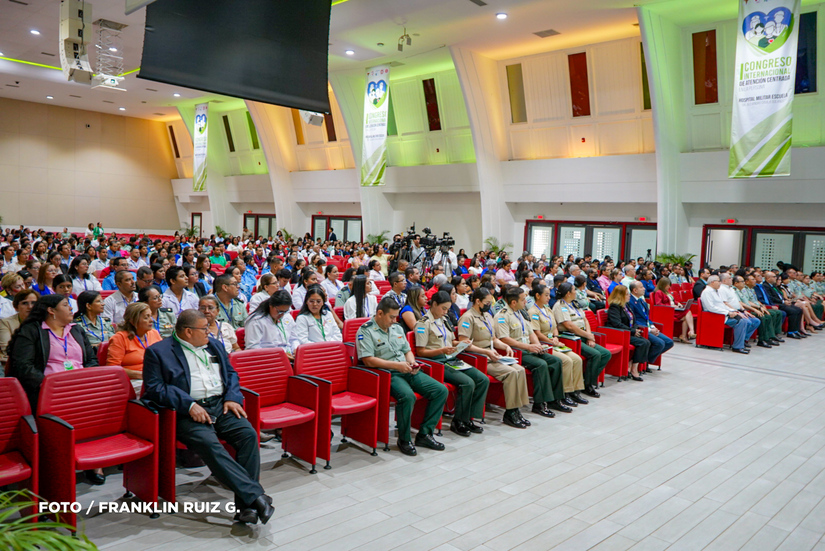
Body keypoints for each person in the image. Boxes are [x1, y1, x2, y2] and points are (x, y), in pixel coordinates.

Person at [142, 310, 274, 525]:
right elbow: (155, 388)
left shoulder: (214, 345)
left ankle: (247, 506)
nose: (209, 332)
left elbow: (231, 374)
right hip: (186, 412)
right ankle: (256, 497)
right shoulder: (158, 352)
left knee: (249, 436)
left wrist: (232, 397)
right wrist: (189, 404)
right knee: (210, 444)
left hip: (220, 405)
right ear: (188, 332)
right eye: (204, 329)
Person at [357, 296, 448, 455]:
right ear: (380, 313)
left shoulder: (397, 328)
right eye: (391, 317)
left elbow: (407, 350)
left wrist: (412, 362)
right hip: (388, 374)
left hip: (406, 368)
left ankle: (425, 434)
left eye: (396, 317)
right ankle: (404, 439)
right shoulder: (366, 330)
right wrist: (397, 366)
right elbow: (368, 360)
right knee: (407, 397)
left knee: (440, 390)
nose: (394, 320)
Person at [7, 294, 99, 413]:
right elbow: (23, 366)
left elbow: (91, 360)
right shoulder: (32, 331)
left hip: (81, 387)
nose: (71, 308)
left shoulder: (76, 329)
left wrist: (87, 382)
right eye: (65, 305)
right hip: (49, 390)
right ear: (51, 310)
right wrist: (48, 385)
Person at [414, 291, 489, 437]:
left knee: (482, 379)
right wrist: (442, 350)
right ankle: (459, 421)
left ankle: (469, 418)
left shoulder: (444, 320)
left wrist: (459, 343)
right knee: (467, 383)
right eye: (443, 308)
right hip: (436, 361)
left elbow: (448, 341)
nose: (445, 312)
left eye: (448, 309)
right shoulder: (423, 323)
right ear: (434, 304)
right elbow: (421, 352)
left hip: (450, 358)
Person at [457, 287, 531, 428]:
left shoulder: (487, 316)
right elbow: (463, 344)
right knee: (511, 373)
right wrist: (486, 352)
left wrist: (505, 346)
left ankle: (516, 410)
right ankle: (510, 412)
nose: (489, 305)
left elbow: (494, 339)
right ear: (477, 301)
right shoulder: (467, 317)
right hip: (479, 357)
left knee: (520, 369)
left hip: (492, 355)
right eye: (487, 302)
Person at [495, 286, 565, 417]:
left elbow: (531, 332)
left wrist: (537, 345)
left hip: (528, 348)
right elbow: (504, 338)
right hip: (516, 351)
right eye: (523, 300)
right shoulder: (502, 316)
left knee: (556, 361)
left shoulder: (521, 313)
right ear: (514, 302)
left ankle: (555, 399)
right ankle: (539, 404)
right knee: (540, 365)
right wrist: (528, 347)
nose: (526, 302)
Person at [527, 284, 588, 406]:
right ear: (538, 296)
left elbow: (554, 326)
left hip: (554, 341)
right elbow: (537, 333)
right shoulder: (533, 312)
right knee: (566, 361)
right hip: (544, 343)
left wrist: (555, 336)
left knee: (576, 359)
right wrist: (551, 341)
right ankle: (564, 393)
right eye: (546, 295)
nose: (549, 298)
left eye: (549, 295)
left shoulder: (547, 309)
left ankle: (575, 391)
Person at [553, 283, 611, 397]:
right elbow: (569, 326)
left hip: (583, 335)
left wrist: (589, 335)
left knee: (605, 354)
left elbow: (585, 320)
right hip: (571, 337)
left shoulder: (574, 303)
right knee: (595, 355)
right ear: (568, 293)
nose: (576, 292)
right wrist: (586, 335)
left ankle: (586, 379)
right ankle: (588, 385)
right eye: (574, 290)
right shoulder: (560, 306)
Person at [107, 302, 163, 393]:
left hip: (156, 377)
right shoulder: (119, 338)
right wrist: (141, 375)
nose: (151, 320)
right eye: (146, 317)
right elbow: (112, 368)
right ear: (133, 321)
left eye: (151, 316)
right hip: (134, 380)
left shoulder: (154, 333)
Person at [701, 275, 759, 354]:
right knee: (741, 321)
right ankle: (738, 346)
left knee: (744, 320)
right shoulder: (707, 292)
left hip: (723, 314)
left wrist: (733, 311)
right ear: (712, 282)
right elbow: (711, 307)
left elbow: (723, 305)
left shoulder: (715, 291)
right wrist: (728, 313)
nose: (720, 283)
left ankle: (740, 344)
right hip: (715, 316)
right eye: (718, 281)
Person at [604, 286, 650, 381]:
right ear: (620, 296)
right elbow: (616, 324)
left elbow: (633, 320)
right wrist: (632, 331)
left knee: (646, 342)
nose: (629, 296)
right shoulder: (614, 307)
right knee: (642, 343)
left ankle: (632, 365)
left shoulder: (626, 305)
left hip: (628, 331)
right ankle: (633, 369)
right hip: (618, 333)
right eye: (627, 294)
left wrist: (635, 329)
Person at [628, 281, 674, 365]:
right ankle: (643, 362)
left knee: (669, 342)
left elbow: (647, 317)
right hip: (641, 328)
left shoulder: (642, 301)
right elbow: (633, 320)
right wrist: (649, 330)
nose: (644, 289)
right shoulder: (630, 302)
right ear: (635, 290)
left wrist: (652, 326)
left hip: (648, 326)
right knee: (659, 343)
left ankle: (645, 360)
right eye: (641, 287)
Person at [735, 275, 782, 348]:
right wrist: (757, 308)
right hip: (747, 310)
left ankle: (771, 336)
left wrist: (761, 306)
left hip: (753, 308)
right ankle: (762, 339)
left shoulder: (750, 289)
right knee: (763, 317)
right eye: (742, 281)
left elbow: (755, 301)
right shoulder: (736, 290)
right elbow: (745, 303)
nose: (755, 281)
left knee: (774, 313)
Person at [244, 290, 294, 355]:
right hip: (268, 358)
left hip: (288, 354)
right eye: (279, 311)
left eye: (285, 311)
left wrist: (295, 349)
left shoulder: (287, 316)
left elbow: (294, 339)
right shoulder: (256, 321)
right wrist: (279, 355)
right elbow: (253, 348)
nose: (282, 315)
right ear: (271, 305)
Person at [756, 270, 804, 338]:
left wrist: (785, 300)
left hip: (780, 302)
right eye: (774, 277)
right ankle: (790, 332)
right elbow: (771, 297)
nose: (776, 278)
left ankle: (796, 330)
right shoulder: (765, 286)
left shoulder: (773, 286)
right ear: (768, 278)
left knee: (799, 310)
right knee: (793, 311)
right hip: (775, 303)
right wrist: (783, 302)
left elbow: (780, 295)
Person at [650, 277, 696, 343]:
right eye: (668, 285)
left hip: (674, 309)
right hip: (668, 311)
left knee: (686, 316)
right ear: (663, 285)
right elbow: (658, 304)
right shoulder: (658, 292)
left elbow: (672, 300)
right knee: (688, 312)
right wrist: (671, 306)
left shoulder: (667, 291)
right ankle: (691, 332)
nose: (669, 286)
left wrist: (678, 303)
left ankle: (684, 335)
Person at [0, 289, 38, 365]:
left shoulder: (44, 322)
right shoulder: (5, 323)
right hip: (16, 363)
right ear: (16, 307)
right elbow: (7, 348)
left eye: (33, 303)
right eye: (25, 303)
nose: (30, 307)